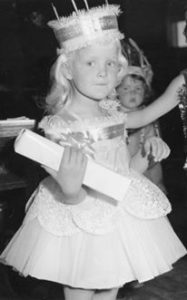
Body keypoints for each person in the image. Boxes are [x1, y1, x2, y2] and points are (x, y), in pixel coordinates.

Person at [0, 3, 187, 300]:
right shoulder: (60, 125)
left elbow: (124, 169)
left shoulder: (113, 112)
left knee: (111, 283)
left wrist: (147, 156)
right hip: (77, 214)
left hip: (117, 212)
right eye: (91, 63)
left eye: (111, 64)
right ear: (68, 69)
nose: (104, 73)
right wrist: (72, 190)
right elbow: (69, 183)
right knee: (81, 285)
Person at [117, 39, 168, 193]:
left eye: (138, 88)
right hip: (120, 167)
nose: (133, 92)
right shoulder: (112, 114)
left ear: (146, 92)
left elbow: (153, 140)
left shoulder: (148, 115)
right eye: (126, 88)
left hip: (145, 168)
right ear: (115, 92)